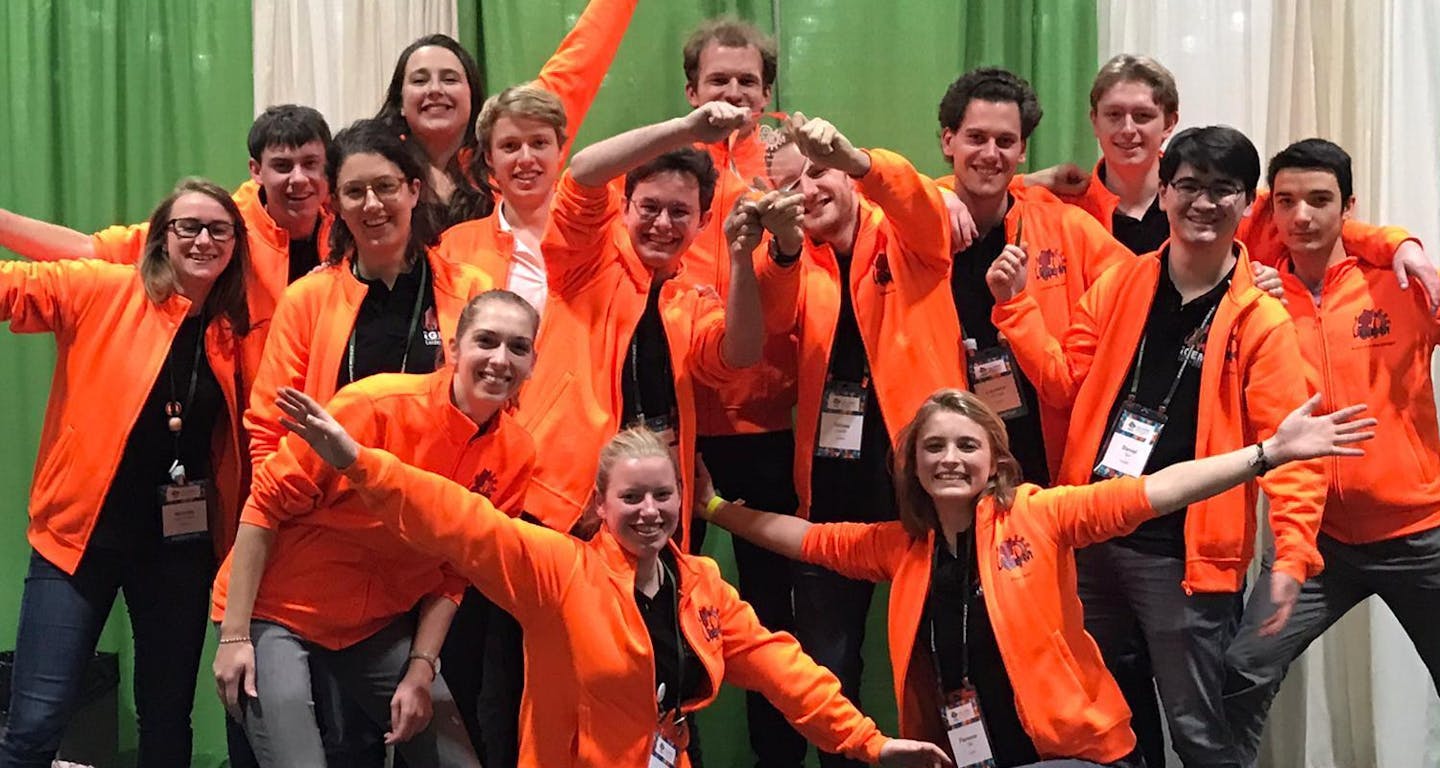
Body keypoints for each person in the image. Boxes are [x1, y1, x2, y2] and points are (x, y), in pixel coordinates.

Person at [697, 388, 1374, 768]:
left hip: (1076, 758)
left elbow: (1157, 491)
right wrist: (715, 509)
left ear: (994, 461)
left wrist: (1266, 454)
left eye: (967, 445)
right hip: (971, 756)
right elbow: (806, 540)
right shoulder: (903, 548)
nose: (950, 458)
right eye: (933, 446)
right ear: (913, 465)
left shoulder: (1040, 516)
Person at [271, 396, 956, 768]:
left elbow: (784, 668)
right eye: (631, 498)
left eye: (663, 496)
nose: (650, 511)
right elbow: (462, 522)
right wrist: (362, 463)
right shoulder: (556, 573)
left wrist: (867, 741)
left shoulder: (703, 587)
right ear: (601, 505)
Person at [991, 126, 1323, 767]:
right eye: (1190, 187)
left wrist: (1292, 556)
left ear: (1246, 204)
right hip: (1094, 538)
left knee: (1200, 732)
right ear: (1165, 192)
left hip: (1186, 559)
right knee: (1112, 724)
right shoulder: (1120, 284)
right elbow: (1063, 380)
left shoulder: (1262, 320)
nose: (1204, 203)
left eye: (1223, 190)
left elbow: (1288, 452)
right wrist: (1016, 308)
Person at [1223, 146, 1440, 768]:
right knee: (1243, 671)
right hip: (1316, 543)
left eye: (1320, 200)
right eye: (1286, 202)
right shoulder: (1254, 289)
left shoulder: (1400, 282)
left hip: (1421, 537)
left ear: (1349, 207)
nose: (1301, 216)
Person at [211, 290, 539, 767]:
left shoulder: (516, 455)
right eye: (485, 341)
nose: (499, 360)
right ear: (453, 349)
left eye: (518, 347)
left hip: (374, 626)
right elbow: (264, 506)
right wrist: (235, 635)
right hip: (275, 608)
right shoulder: (375, 404)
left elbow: (456, 572)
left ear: (533, 362)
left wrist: (421, 668)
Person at [0, 179, 253, 767]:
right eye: (187, 226)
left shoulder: (231, 332)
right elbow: (13, 288)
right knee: (36, 721)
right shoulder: (104, 290)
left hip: (179, 550)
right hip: (77, 540)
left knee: (167, 722)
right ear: (160, 238)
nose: (203, 239)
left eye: (219, 229)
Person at [750, 111, 965, 768]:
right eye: (788, 184)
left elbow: (919, 207)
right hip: (831, 500)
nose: (808, 191)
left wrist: (859, 157)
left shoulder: (904, 234)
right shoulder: (788, 256)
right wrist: (782, 246)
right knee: (827, 668)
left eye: (817, 172)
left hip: (927, 496)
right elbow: (770, 312)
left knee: (948, 666)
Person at [515, 102, 768, 550]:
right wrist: (685, 128)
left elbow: (740, 354)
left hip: (649, 514)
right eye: (649, 207)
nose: (663, 224)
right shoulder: (584, 263)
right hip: (561, 510)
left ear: (703, 221)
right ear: (625, 207)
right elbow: (583, 172)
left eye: (679, 212)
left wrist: (742, 257)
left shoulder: (689, 302)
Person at [1030, 54, 1440, 310]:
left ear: (1169, 122)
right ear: (1094, 121)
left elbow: (1320, 225)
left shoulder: (1221, 202)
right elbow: (983, 193)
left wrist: (1398, 244)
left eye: (1142, 115)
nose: (1128, 129)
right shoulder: (1064, 204)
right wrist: (1029, 177)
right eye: (1114, 115)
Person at [672, 18, 803, 764]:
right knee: (671, 608)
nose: (732, 94)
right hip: (682, 426)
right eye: (717, 81)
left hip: (774, 427)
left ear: (767, 93)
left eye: (746, 82)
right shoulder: (664, 170)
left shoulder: (794, 166)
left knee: (774, 620)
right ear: (692, 90)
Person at [245, 117, 492, 465]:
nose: (372, 204)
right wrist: (270, 513)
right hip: (333, 506)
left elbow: (497, 412)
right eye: (355, 191)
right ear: (335, 204)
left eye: (386, 186)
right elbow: (270, 428)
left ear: (414, 191)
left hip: (439, 503)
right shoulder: (307, 299)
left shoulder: (471, 290)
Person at [933, 66, 1135, 485]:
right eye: (976, 138)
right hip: (941, 455)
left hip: (1038, 457)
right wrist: (930, 189)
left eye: (1005, 141)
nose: (991, 153)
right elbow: (861, 190)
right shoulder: (916, 224)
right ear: (948, 140)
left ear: (1022, 149)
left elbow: (1144, 281)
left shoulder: (1062, 226)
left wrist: (1238, 272)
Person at [0, 104, 332, 354]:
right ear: (256, 171)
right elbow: (89, 249)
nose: (299, 179)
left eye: (310, 164)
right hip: (241, 426)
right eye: (283, 166)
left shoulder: (349, 229)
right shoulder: (219, 228)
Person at [436, 0, 640, 313]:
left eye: (539, 143)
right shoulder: (453, 248)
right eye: (510, 146)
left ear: (561, 150)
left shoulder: (613, 231)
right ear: (489, 158)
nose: (526, 158)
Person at [377, 0, 638, 226]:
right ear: (400, 100)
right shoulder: (375, 165)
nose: (435, 90)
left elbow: (584, 57)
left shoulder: (512, 144)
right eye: (420, 81)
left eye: (450, 79)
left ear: (472, 95)